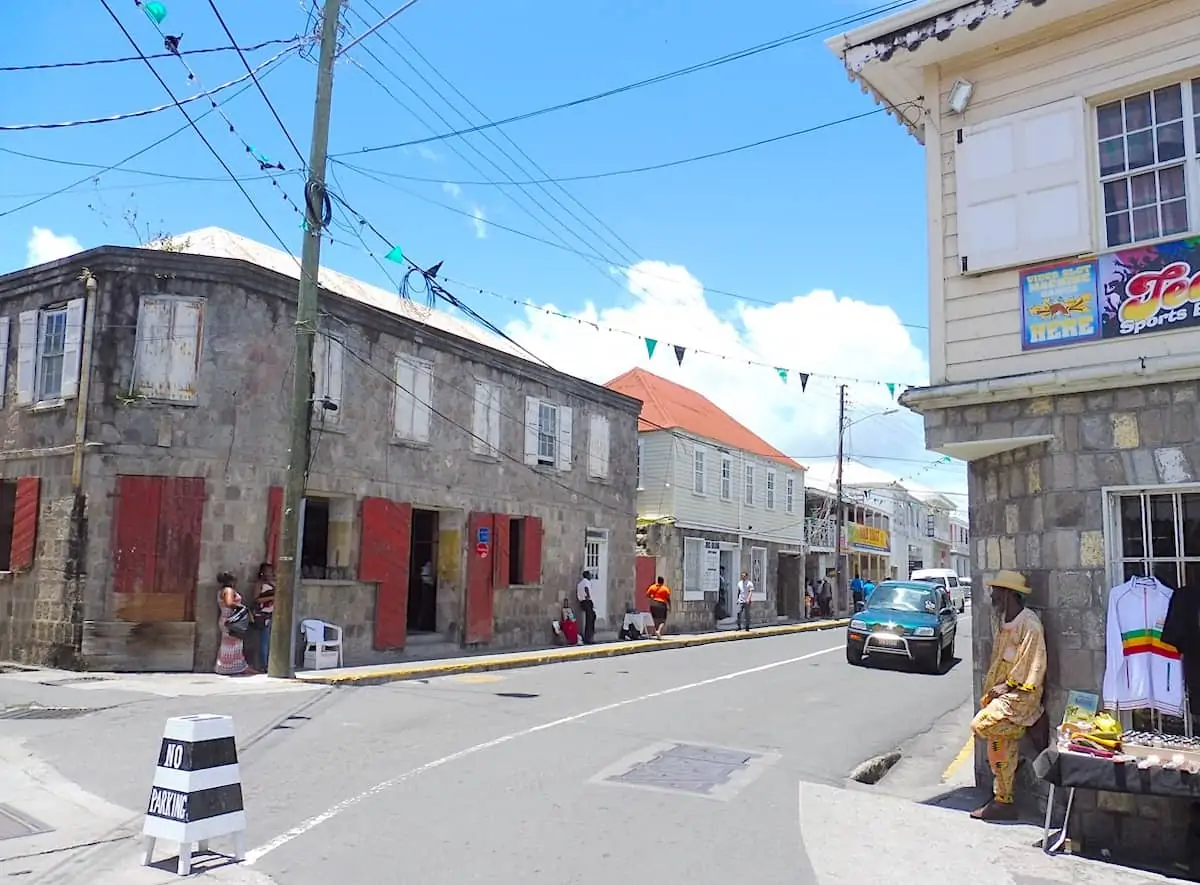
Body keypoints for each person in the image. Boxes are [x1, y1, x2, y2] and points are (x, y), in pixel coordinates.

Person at [969, 570, 1047, 822]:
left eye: (996, 591)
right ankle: (1004, 799)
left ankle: (1027, 724)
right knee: (999, 748)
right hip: (1000, 696)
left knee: (982, 725)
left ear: (1008, 594)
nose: (992, 595)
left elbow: (1033, 664)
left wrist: (1008, 687)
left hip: (1019, 696)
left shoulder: (1030, 624)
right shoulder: (1004, 622)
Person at [215, 571, 253, 676]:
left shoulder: (222, 591)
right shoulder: (228, 590)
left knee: (232, 644)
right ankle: (230, 667)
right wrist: (242, 607)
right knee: (232, 644)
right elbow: (229, 603)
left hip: (227, 619)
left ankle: (232, 666)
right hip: (231, 620)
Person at [251, 562, 276, 670]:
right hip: (263, 614)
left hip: (273, 613)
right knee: (264, 641)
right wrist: (271, 598)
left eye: (271, 571)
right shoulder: (259, 584)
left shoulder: (274, 583)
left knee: (272, 641)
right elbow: (256, 599)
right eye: (267, 571)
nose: (269, 573)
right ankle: (263, 664)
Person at [646, 575, 671, 640]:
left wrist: (652, 597)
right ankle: (658, 631)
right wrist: (670, 606)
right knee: (663, 620)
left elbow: (647, 595)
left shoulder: (652, 587)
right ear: (663, 582)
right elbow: (668, 599)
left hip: (653, 604)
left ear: (657, 581)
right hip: (662, 605)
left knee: (655, 619)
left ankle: (657, 633)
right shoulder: (665, 589)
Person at [577, 570, 596, 644]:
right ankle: (588, 637)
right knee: (590, 619)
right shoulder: (586, 582)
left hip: (583, 602)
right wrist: (588, 596)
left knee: (592, 617)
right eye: (590, 575)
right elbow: (586, 588)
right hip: (587, 601)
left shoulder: (580, 583)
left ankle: (589, 636)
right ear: (587, 575)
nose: (591, 576)